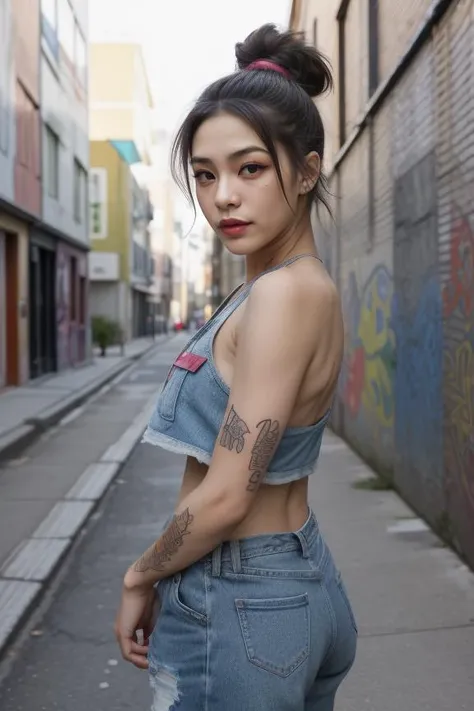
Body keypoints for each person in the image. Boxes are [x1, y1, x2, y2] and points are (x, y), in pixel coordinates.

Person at [115, 23, 357, 711]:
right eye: (204, 173)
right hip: (293, 583)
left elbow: (226, 494)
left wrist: (141, 575)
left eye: (249, 168)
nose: (222, 195)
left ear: (306, 171)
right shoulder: (291, 285)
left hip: (242, 599)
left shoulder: (282, 294)